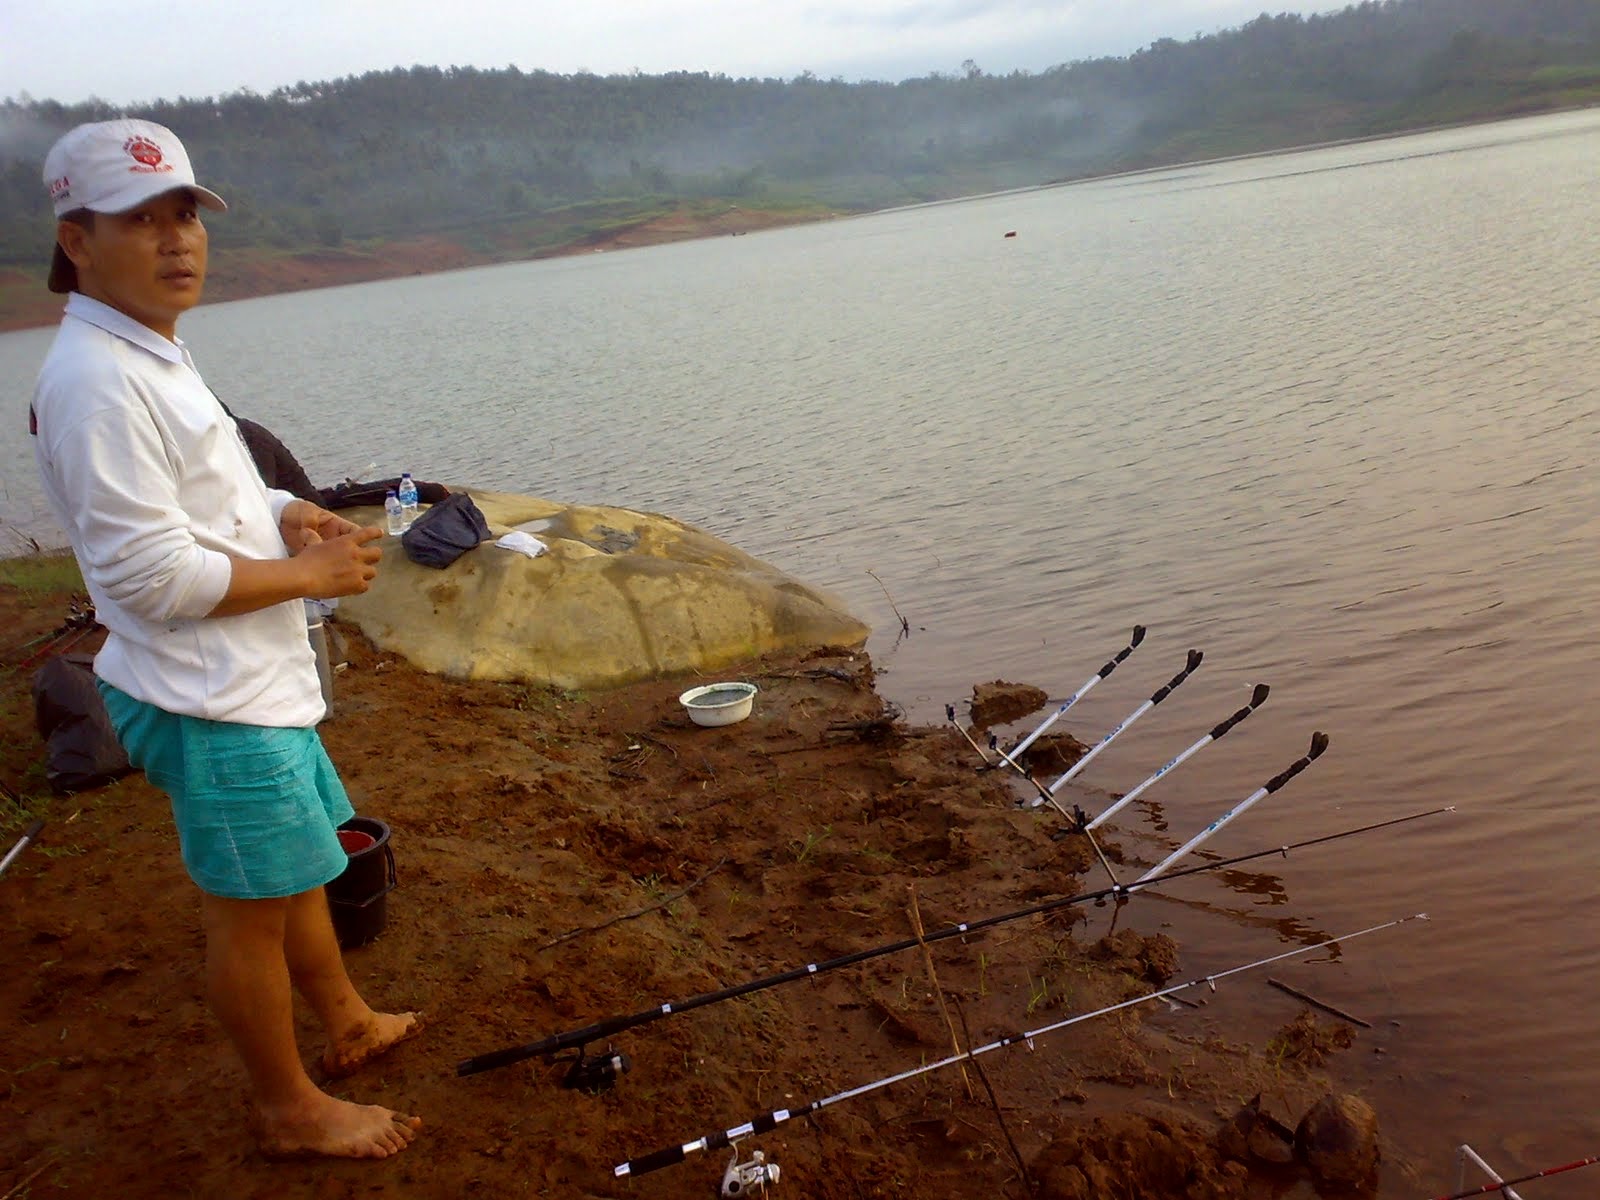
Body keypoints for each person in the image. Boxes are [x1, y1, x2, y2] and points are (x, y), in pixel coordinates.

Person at [28, 119, 423, 1160]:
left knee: (293, 871)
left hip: (250, 680)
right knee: (247, 909)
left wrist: (288, 508)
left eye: (185, 216)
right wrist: (309, 575)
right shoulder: (94, 383)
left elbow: (209, 490)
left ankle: (343, 1020)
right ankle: (288, 1107)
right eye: (139, 220)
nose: (176, 242)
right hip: (209, 700)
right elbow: (146, 576)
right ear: (76, 239)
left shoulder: (150, 346)